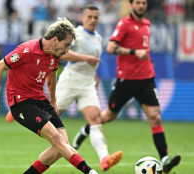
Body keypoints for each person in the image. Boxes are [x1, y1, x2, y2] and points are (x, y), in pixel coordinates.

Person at [71, 0, 181, 173]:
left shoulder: (147, 24)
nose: (141, 6)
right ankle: (86, 129)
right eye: (137, 3)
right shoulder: (124, 24)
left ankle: (165, 159)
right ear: (131, 5)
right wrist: (134, 52)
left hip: (146, 79)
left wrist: (147, 59)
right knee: (107, 116)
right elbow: (111, 47)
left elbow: (143, 47)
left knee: (155, 117)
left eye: (144, 3)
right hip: (127, 80)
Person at [0, 18, 98, 174]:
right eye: (66, 45)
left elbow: (51, 74)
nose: (67, 50)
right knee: (57, 140)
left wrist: (53, 100)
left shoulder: (54, 55)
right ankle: (90, 172)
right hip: (21, 103)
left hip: (41, 100)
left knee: (62, 146)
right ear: (55, 40)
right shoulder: (26, 50)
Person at [55, 5, 122, 171]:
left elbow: (92, 63)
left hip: (87, 84)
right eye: (90, 17)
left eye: (96, 17)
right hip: (70, 80)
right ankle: (21, 111)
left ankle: (104, 158)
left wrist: (95, 77)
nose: (93, 20)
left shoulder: (98, 38)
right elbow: (62, 53)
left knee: (95, 120)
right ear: (83, 18)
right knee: (51, 116)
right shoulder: (76, 34)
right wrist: (85, 58)